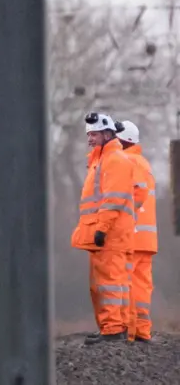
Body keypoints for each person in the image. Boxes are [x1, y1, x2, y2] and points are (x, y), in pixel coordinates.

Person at [71, 112, 138, 345]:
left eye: (95, 134)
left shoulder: (114, 160)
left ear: (108, 134)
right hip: (106, 233)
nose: (90, 138)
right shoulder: (102, 160)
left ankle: (113, 330)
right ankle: (114, 329)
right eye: (89, 134)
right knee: (110, 282)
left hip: (109, 234)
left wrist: (102, 228)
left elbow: (113, 198)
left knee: (108, 282)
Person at [116, 120, 157, 343]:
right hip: (147, 239)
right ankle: (142, 329)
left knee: (127, 283)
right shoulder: (144, 163)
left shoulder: (126, 161)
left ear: (123, 140)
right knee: (142, 285)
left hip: (131, 235)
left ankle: (130, 332)